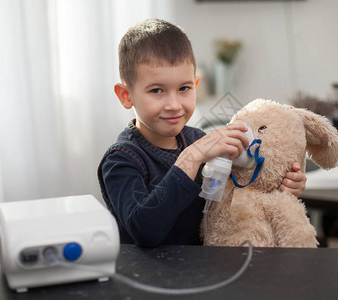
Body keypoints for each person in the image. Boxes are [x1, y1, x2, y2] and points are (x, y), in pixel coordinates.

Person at [97, 19, 307, 247]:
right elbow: (145, 230)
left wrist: (283, 186)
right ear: (126, 96)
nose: (174, 104)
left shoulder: (197, 139)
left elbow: (240, 191)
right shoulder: (120, 161)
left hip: (206, 270)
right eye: (157, 90)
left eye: (184, 89)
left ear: (195, 85)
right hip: (150, 278)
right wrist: (190, 158)